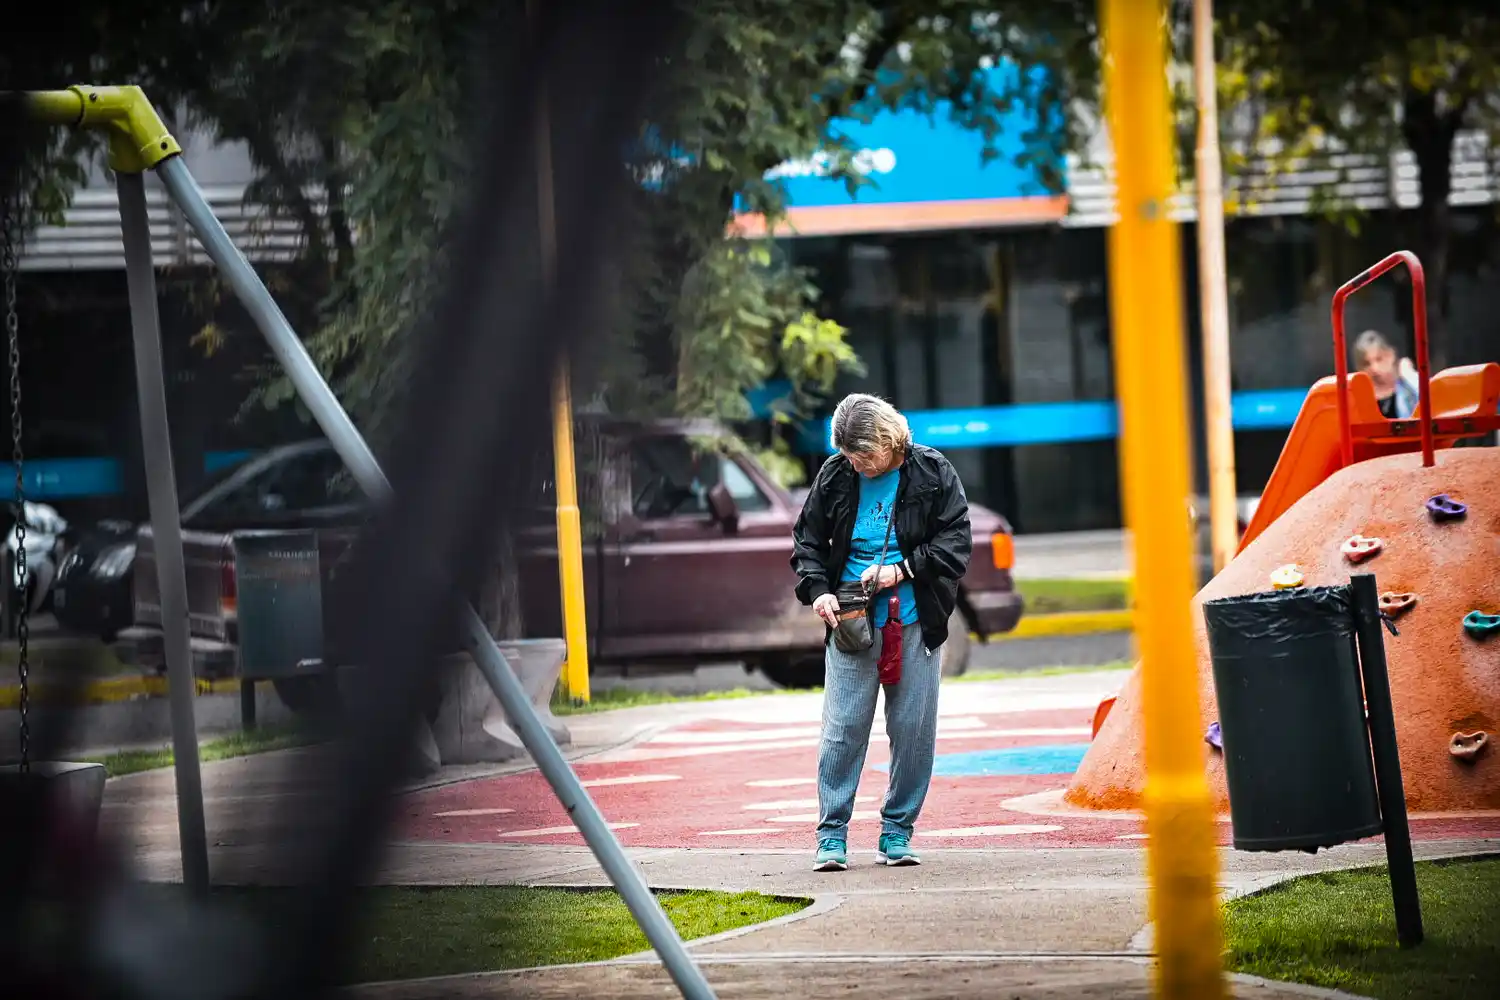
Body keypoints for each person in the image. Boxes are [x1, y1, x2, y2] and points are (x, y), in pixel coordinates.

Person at [791, 393, 972, 871]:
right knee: (842, 729)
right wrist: (818, 591)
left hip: (915, 620)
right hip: (851, 621)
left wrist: (902, 570)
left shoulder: (932, 472)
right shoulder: (836, 474)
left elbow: (955, 542)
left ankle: (897, 831)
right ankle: (831, 835)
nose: (856, 464)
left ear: (890, 441)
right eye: (848, 455)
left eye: (863, 455)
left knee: (913, 731)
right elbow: (807, 539)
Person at [1353, 329, 1420, 419]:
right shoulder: (1358, 398)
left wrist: (1410, 375)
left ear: (1390, 355)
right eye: (1366, 364)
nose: (1374, 368)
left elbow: (1430, 400)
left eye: (1379, 359)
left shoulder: (1408, 388)